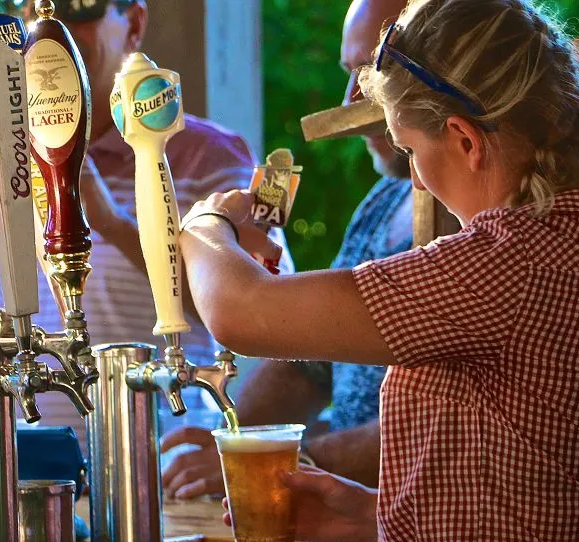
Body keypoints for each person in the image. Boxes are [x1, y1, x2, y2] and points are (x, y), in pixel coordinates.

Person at [183, 0, 579, 542]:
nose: (418, 179)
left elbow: (239, 312)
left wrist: (204, 224)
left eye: (408, 150)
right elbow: (546, 503)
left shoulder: (504, 267)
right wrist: (376, 515)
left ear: (464, 140)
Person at [0, 0, 293, 445]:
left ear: (135, 23)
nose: (48, 28)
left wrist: (111, 221)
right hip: (9, 485)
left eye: (79, 8)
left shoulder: (209, 158)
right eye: (27, 8)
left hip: (156, 480)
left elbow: (272, 322)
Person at [159, 0, 412, 495]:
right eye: (349, 73)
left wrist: (206, 226)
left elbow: (436, 432)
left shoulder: (488, 227)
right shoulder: (380, 203)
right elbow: (310, 365)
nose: (349, 100)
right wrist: (231, 445)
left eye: (372, 70)